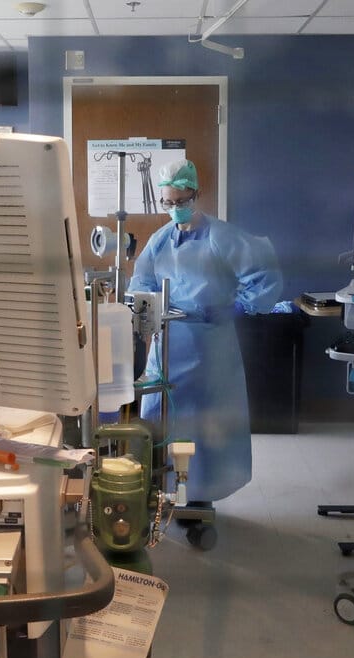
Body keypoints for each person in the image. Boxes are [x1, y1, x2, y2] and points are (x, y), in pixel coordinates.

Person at [128, 159, 283, 506]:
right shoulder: (160, 241)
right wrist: (146, 311)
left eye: (181, 202)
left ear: (196, 194)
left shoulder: (221, 236)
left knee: (205, 427)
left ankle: (201, 499)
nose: (175, 209)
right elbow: (141, 283)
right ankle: (157, 490)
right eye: (168, 203)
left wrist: (238, 306)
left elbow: (264, 274)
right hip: (167, 347)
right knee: (158, 418)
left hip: (210, 349)